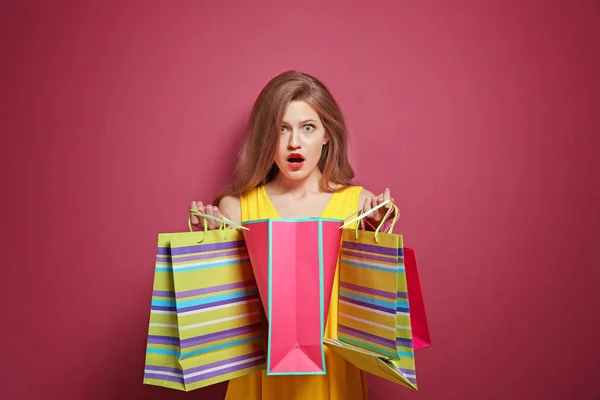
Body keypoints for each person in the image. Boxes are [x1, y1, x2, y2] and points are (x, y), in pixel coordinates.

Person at [190, 70, 394, 400]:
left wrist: (376, 237)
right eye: (280, 129)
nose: (293, 142)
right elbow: (223, 314)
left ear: (327, 135)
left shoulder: (359, 205)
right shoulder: (237, 209)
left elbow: (374, 310)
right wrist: (207, 245)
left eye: (307, 128)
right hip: (258, 380)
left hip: (333, 378)